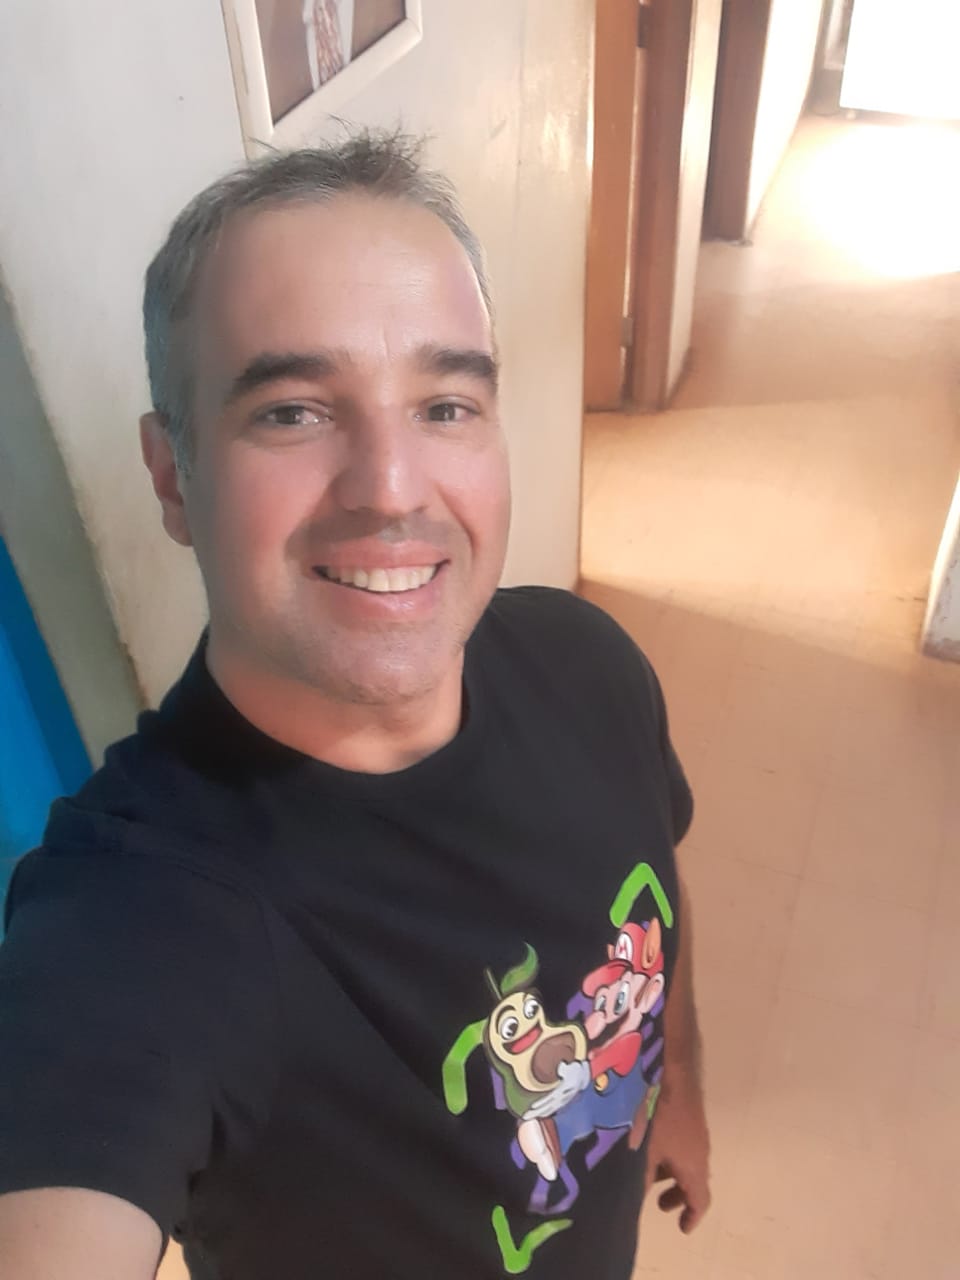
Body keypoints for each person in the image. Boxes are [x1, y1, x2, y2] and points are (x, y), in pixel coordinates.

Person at [0, 130, 710, 1280]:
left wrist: (677, 1087)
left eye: (445, 403)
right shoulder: (135, 922)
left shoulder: (593, 664)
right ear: (173, 473)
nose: (390, 487)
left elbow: (655, 887)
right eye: (291, 410)